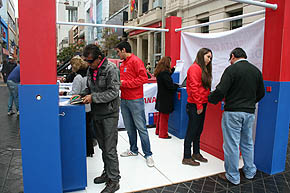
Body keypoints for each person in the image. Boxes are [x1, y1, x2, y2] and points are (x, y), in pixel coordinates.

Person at [208, 47, 265, 185]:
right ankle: (250, 171)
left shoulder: (231, 70)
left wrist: (211, 99)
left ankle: (233, 176)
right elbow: (261, 93)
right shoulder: (256, 71)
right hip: (249, 112)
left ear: (233, 56)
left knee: (232, 144)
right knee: (247, 143)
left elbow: (221, 89)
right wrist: (250, 103)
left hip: (233, 112)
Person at [74, 44, 121, 193]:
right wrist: (81, 95)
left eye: (90, 61)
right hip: (97, 113)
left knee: (110, 148)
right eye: (86, 61)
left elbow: (113, 92)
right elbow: (90, 87)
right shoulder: (91, 69)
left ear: (99, 58)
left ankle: (114, 180)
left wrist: (93, 97)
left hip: (109, 114)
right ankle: (107, 173)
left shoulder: (111, 69)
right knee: (102, 147)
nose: (88, 64)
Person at [115, 41, 154, 167]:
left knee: (141, 127)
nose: (118, 54)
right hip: (125, 100)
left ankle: (148, 154)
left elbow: (144, 78)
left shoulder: (136, 61)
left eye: (118, 51)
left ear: (124, 50)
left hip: (135, 100)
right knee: (129, 127)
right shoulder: (123, 64)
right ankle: (133, 150)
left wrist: (124, 84)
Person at [182, 48, 213, 166]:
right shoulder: (194, 68)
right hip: (195, 104)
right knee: (192, 130)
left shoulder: (203, 68)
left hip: (201, 103)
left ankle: (196, 153)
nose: (209, 60)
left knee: (198, 130)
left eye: (210, 58)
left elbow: (203, 88)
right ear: (201, 56)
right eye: (207, 57)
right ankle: (186, 156)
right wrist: (199, 105)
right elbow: (194, 88)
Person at [64, 55, 94, 157]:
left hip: (81, 107)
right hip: (89, 106)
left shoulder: (78, 77)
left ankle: (85, 150)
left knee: (83, 130)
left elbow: (75, 93)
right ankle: (89, 150)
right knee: (88, 129)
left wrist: (64, 93)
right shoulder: (87, 74)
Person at [153, 56, 178, 139]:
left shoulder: (160, 72)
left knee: (161, 115)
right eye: (170, 62)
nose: (171, 64)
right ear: (167, 63)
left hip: (161, 96)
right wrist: (177, 86)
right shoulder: (165, 73)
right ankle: (163, 134)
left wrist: (173, 69)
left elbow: (166, 78)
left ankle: (158, 131)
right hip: (166, 98)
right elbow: (170, 86)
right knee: (165, 117)